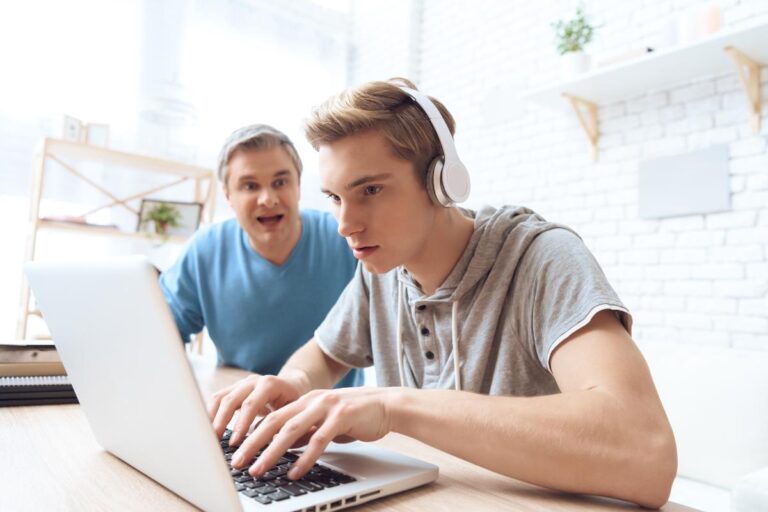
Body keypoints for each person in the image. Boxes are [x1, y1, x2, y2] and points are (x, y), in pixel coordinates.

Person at [208, 81, 677, 508]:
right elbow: (326, 355)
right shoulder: (381, 269)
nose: (345, 225)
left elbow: (646, 452)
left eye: (370, 189)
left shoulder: (542, 258)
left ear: (442, 180)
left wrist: (391, 406)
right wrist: (295, 385)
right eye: (334, 197)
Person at [160, 124, 362, 388]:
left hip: (329, 408)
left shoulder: (348, 240)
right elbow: (162, 332)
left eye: (280, 182)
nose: (268, 199)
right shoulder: (204, 251)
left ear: (298, 186)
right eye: (250, 186)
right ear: (228, 196)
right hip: (240, 402)